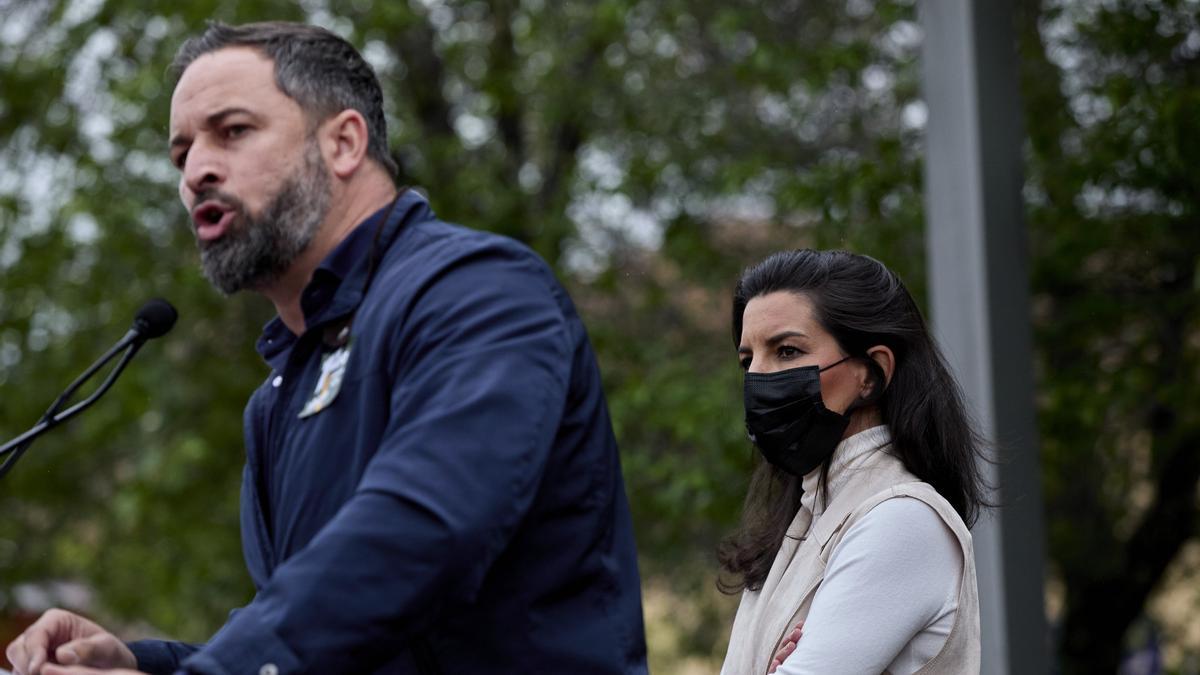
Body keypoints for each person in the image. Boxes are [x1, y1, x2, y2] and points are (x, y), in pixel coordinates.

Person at [5, 21, 647, 675]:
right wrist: (141, 664)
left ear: (342, 142)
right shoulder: (279, 392)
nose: (197, 170)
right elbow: (324, 636)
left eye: (233, 131)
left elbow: (417, 537)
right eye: (181, 154)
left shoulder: (478, 291)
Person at [718, 249, 985, 675]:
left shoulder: (901, 518)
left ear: (872, 372)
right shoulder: (806, 517)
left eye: (786, 351)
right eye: (748, 360)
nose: (758, 378)